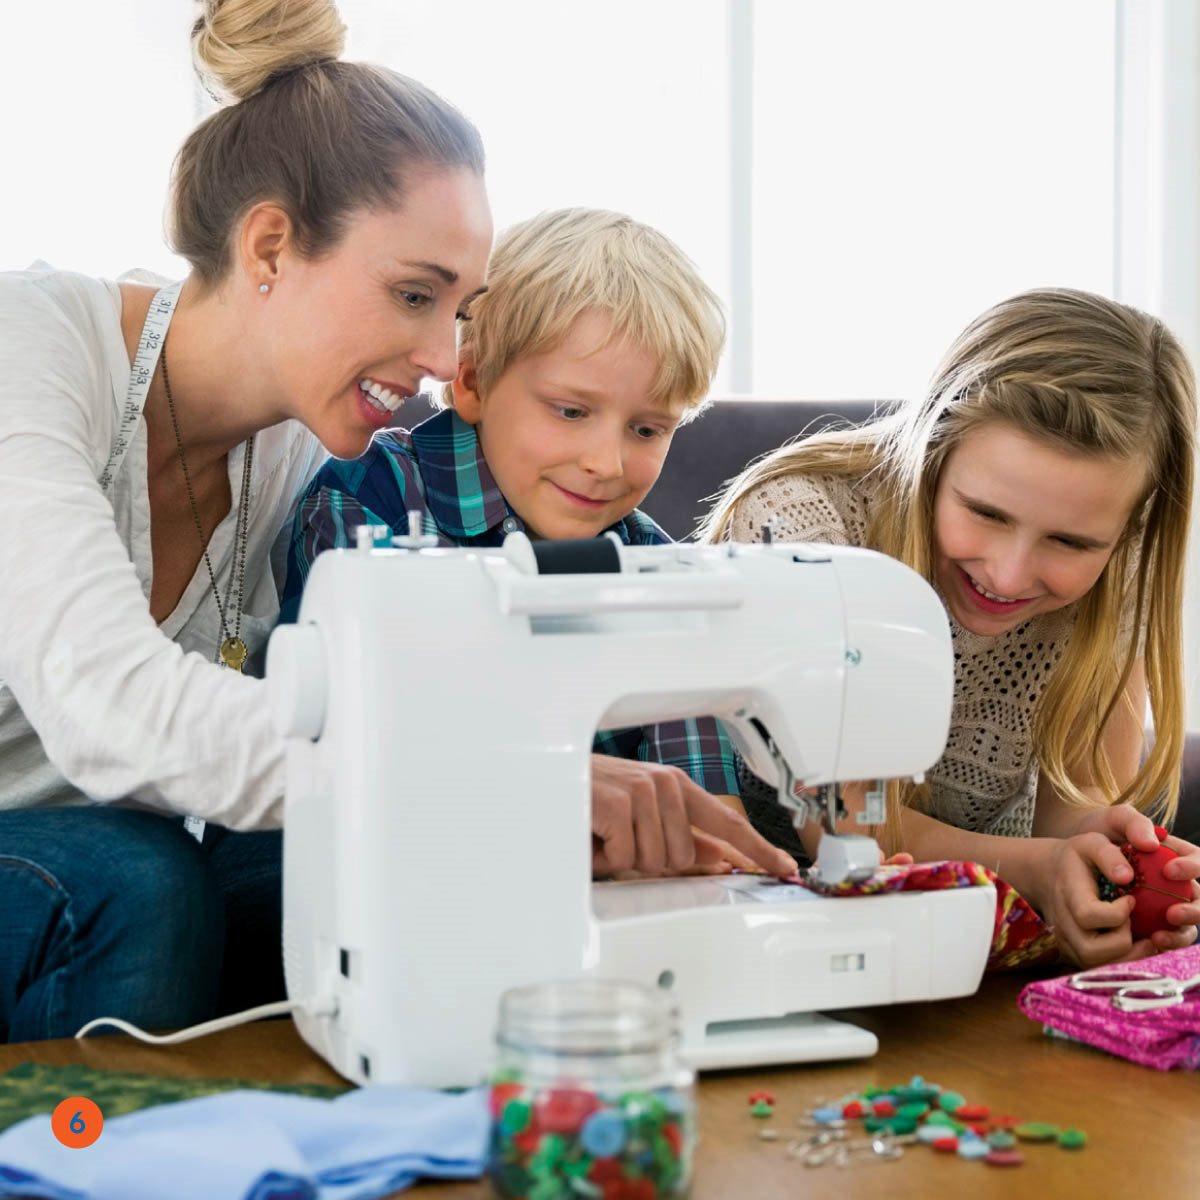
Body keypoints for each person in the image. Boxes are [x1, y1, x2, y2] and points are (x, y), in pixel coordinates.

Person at [0, 0, 785, 1044]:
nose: (450, 360)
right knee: (138, 885)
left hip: (86, 844)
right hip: (66, 862)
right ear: (270, 246)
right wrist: (519, 781)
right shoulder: (29, 351)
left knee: (316, 872)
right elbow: (110, 711)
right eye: (416, 295)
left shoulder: (295, 448)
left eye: (460, 309)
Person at [282, 207, 798, 880]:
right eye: (572, 412)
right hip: (377, 858)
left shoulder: (659, 566)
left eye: (647, 430)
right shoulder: (364, 503)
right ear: (471, 381)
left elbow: (705, 798)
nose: (607, 463)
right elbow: (360, 750)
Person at [702, 287, 1200, 967]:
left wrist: (1102, 865)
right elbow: (848, 828)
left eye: (1070, 543)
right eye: (987, 513)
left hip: (967, 954)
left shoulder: (1119, 571)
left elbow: (1071, 814)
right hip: (767, 934)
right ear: (932, 445)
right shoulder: (803, 523)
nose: (1011, 573)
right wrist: (1043, 870)